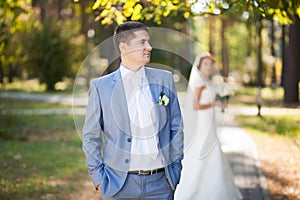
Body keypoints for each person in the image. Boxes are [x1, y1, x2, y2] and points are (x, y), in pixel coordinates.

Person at [82, 21, 184, 199]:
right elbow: (91, 136)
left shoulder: (164, 79)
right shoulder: (101, 87)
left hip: (161, 185)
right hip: (118, 185)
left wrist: (175, 169)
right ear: (124, 47)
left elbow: (176, 127)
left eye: (148, 41)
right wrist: (98, 178)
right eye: (142, 42)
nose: (149, 47)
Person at [174, 52, 243, 200]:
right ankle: (192, 189)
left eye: (210, 64)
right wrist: (216, 103)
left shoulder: (207, 80)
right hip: (203, 122)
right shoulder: (198, 82)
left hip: (209, 121)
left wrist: (220, 101)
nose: (209, 67)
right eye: (205, 64)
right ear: (199, 66)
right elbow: (196, 105)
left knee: (212, 150)